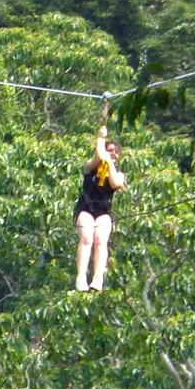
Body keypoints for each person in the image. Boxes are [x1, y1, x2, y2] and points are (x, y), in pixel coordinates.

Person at [74, 124, 127, 292]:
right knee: (87, 238)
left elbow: (116, 184)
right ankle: (81, 277)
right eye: (110, 150)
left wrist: (110, 162)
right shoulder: (91, 166)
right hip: (85, 208)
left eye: (116, 152)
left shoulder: (118, 173)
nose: (113, 153)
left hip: (103, 211)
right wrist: (100, 137)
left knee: (100, 240)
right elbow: (98, 156)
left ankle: (98, 278)